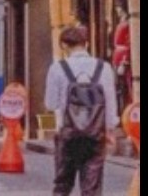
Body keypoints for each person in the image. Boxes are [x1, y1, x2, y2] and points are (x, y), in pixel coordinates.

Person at [44, 25, 118, 196]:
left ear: (64, 45)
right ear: (86, 44)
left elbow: (50, 103)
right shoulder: (104, 67)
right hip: (95, 135)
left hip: (67, 134)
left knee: (62, 186)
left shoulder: (57, 68)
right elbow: (110, 102)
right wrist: (110, 130)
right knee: (92, 188)